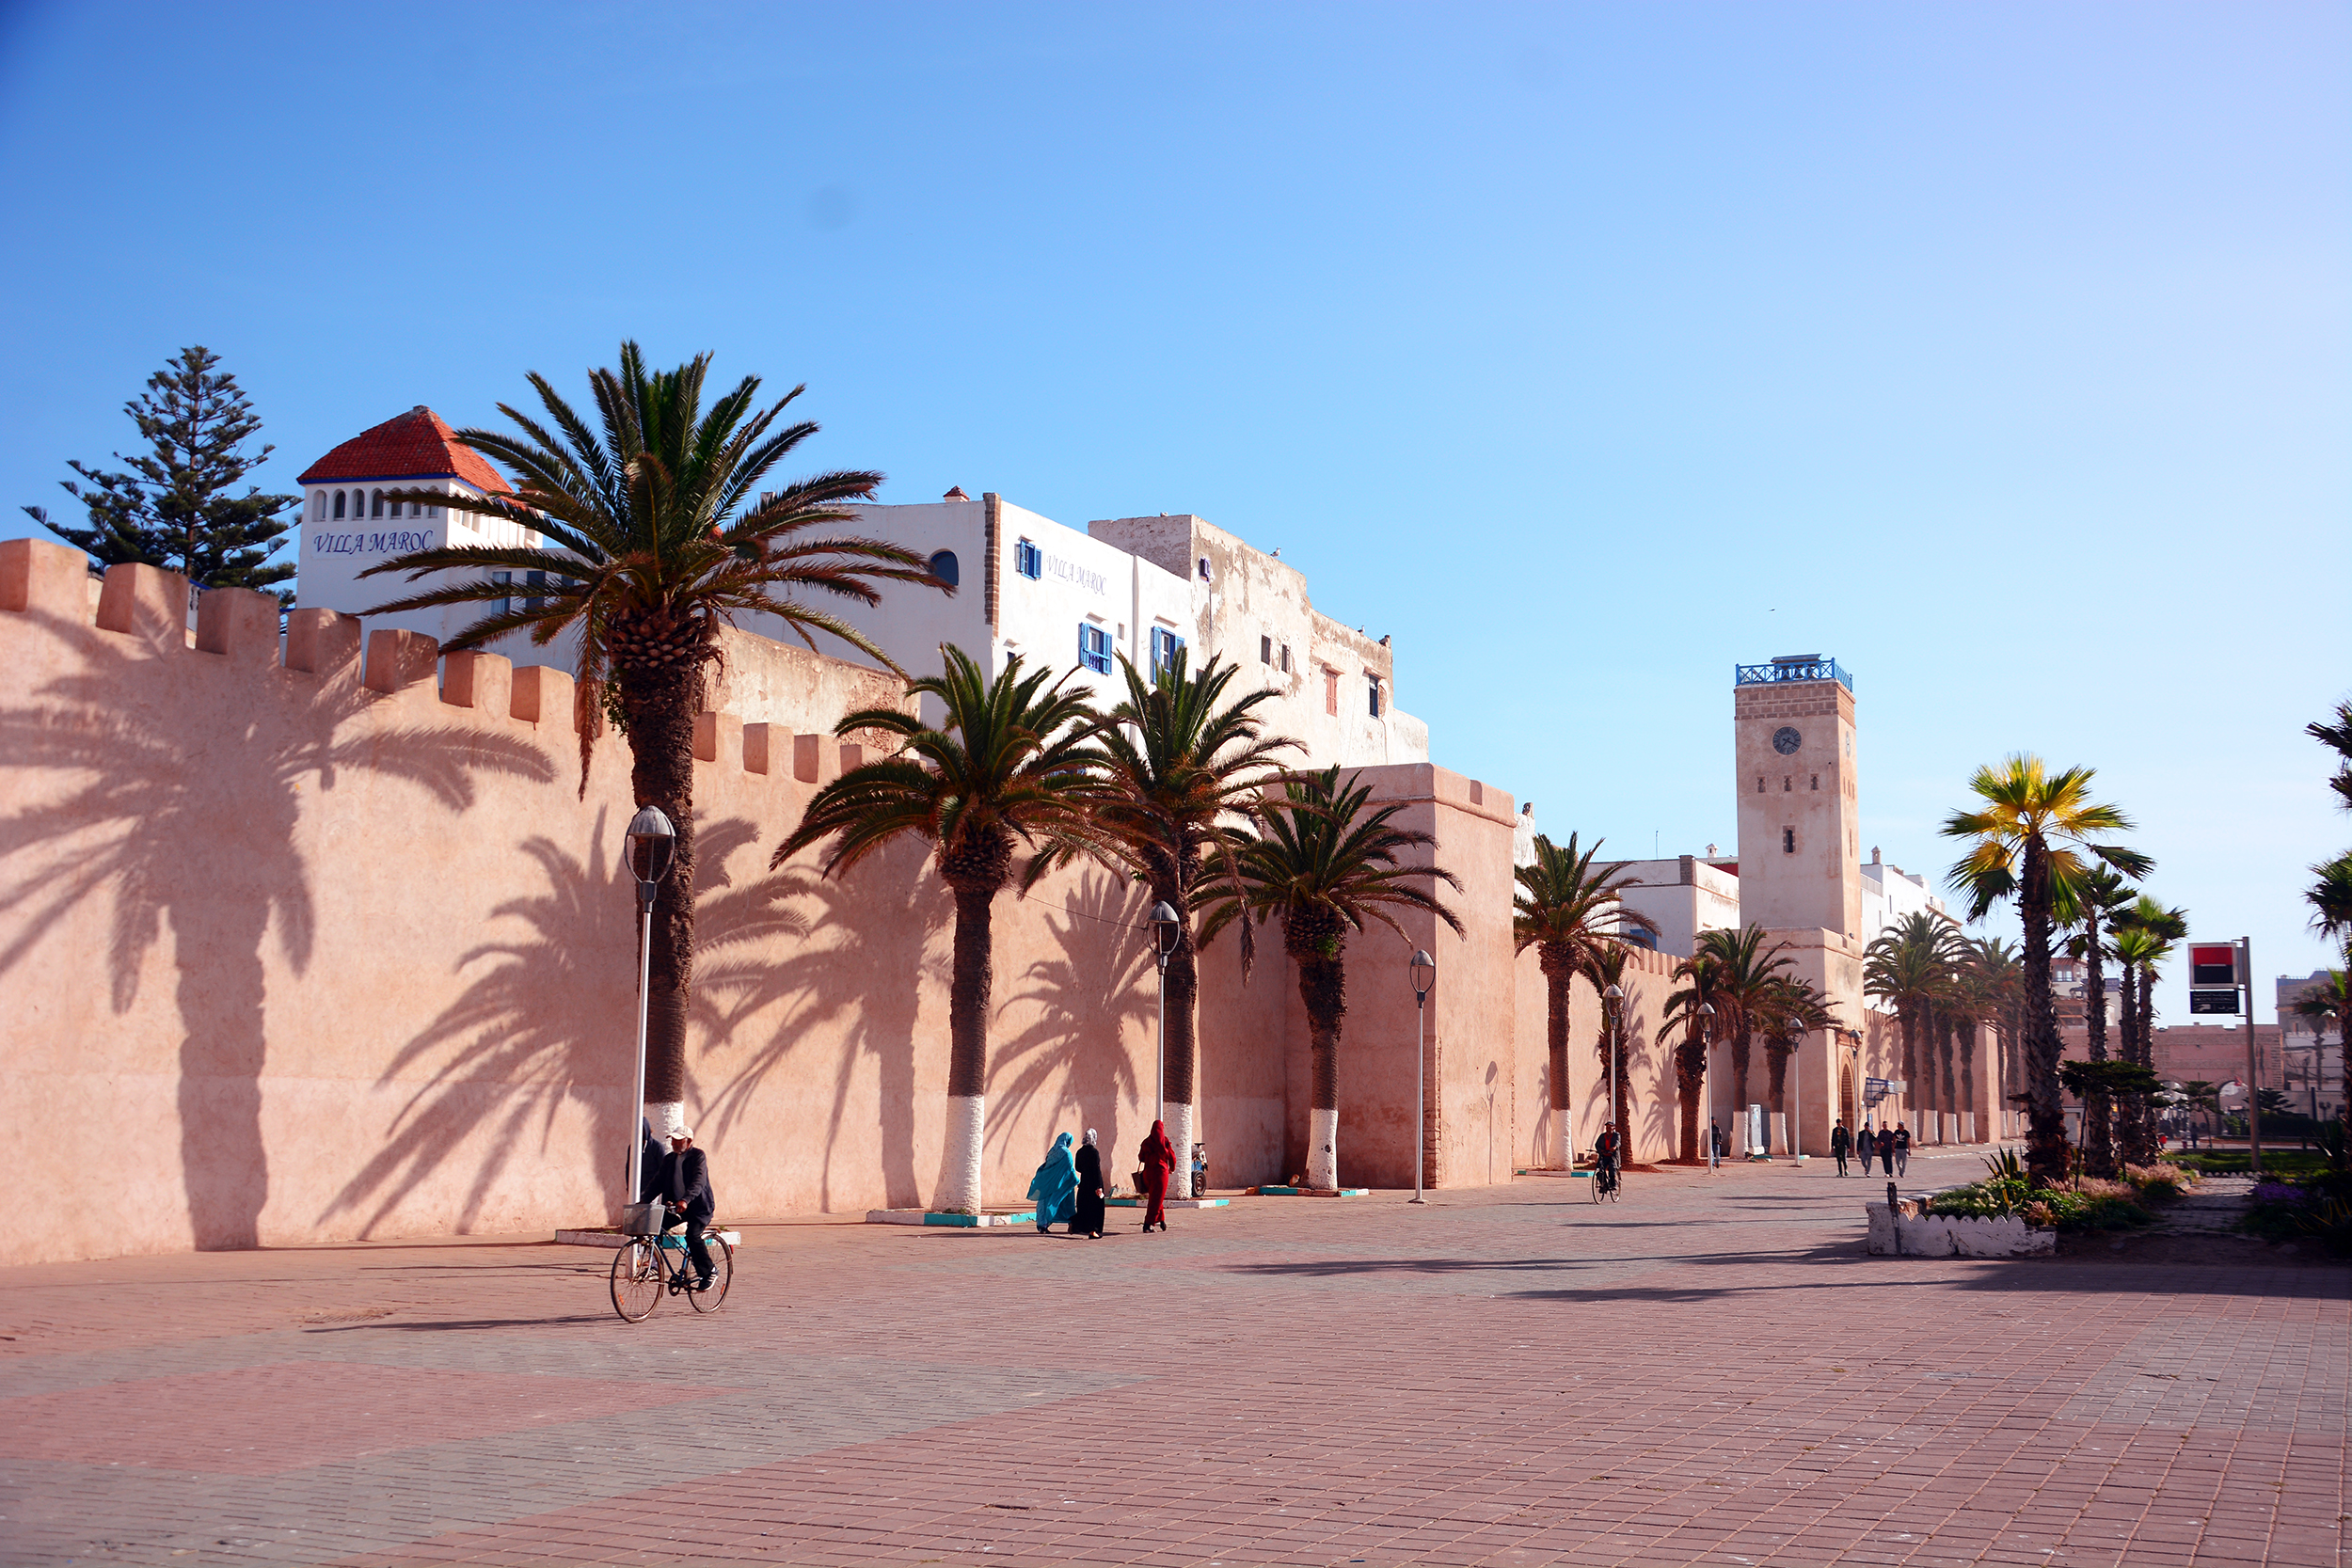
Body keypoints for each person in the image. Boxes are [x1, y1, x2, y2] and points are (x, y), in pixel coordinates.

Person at [655, 1124, 716, 1291]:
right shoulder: (669, 1159)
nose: (674, 1143)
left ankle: (709, 1271)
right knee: (655, 1228)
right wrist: (643, 1201)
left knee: (692, 1236)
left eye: (678, 1140)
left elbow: (699, 1182)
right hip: (677, 1207)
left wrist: (685, 1200)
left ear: (688, 1141)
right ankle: (654, 1266)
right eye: (673, 1140)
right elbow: (657, 1183)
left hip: (699, 1207)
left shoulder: (698, 1156)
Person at [1027, 1131, 1079, 1234]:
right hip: (1061, 1185)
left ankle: (1043, 1225)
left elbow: (1047, 1166)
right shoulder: (1066, 1153)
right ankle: (1071, 1223)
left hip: (1048, 1183)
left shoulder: (1052, 1152)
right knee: (1064, 1204)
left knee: (1045, 1203)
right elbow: (1069, 1169)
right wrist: (1076, 1181)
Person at [1138, 1119, 1177, 1232]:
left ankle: (1161, 1220)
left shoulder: (1146, 1142)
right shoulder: (1164, 1142)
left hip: (1148, 1174)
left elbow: (1141, 1157)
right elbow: (1172, 1157)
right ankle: (1147, 1224)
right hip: (1160, 1174)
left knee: (1155, 1198)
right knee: (1156, 1199)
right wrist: (1172, 1169)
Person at [1073, 1130, 1107, 1239]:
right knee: (1096, 1208)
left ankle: (1078, 1226)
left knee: (1084, 1206)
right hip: (1093, 1183)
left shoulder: (1080, 1152)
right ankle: (1094, 1231)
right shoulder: (1094, 1152)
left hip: (1084, 1183)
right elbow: (1096, 1170)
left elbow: (1077, 1167)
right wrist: (1099, 1186)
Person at [1594, 1123, 1622, 1194]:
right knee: (1600, 1170)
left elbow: (1618, 1142)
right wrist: (1601, 1151)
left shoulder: (1616, 1135)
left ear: (1614, 1128)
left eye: (1610, 1127)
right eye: (1607, 1127)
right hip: (1604, 1156)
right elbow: (1597, 1145)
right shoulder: (1602, 1136)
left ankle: (1613, 1184)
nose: (1608, 1129)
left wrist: (1614, 1147)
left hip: (1613, 1156)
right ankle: (1604, 1185)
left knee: (1612, 1168)